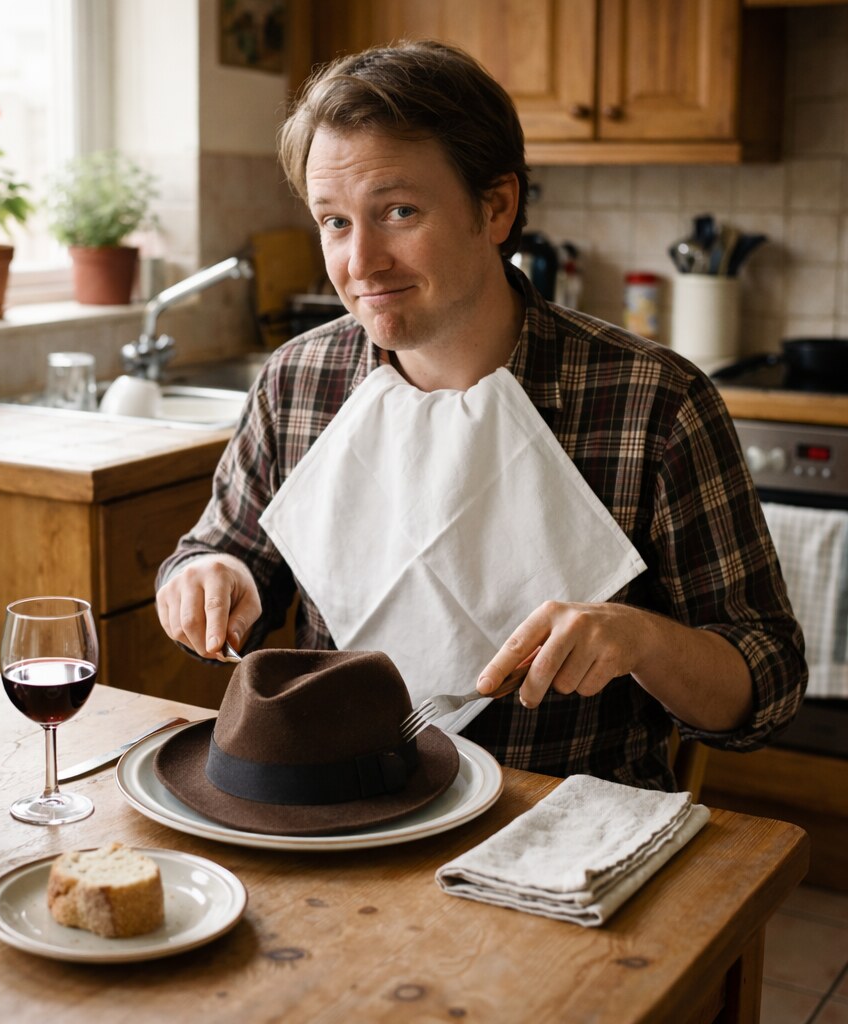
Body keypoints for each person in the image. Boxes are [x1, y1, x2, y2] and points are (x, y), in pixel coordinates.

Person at [156, 40, 806, 790]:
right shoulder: (297, 380)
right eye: (334, 222)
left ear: (495, 207)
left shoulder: (656, 403)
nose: (360, 263)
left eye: (398, 211)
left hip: (566, 835)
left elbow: (771, 685)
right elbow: (225, 554)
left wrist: (642, 641)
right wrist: (210, 573)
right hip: (339, 816)